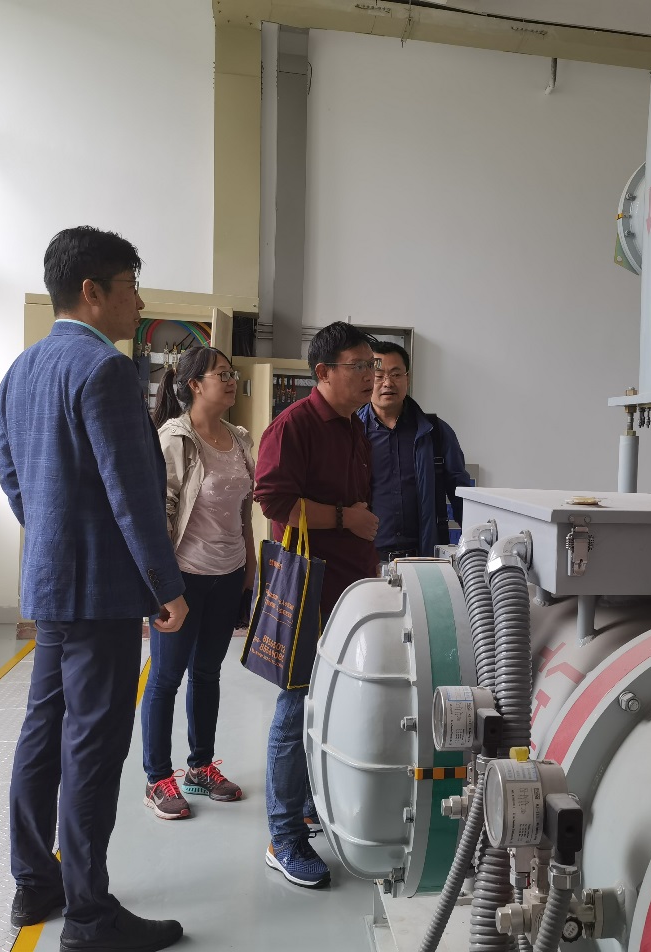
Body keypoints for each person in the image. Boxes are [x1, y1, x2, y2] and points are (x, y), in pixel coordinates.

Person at [0, 227, 187, 952]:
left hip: (50, 585)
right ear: (92, 292)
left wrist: (53, 534)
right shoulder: (104, 370)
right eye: (131, 286)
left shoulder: (22, 369)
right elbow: (132, 495)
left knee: (43, 732)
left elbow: (13, 477)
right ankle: (88, 916)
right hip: (101, 593)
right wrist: (164, 586)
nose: (139, 303)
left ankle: (33, 883)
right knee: (94, 747)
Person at [252, 321, 381, 888]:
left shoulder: (354, 426)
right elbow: (272, 500)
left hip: (350, 583)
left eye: (372, 366)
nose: (371, 376)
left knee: (328, 700)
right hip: (309, 586)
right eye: (359, 366)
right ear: (323, 372)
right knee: (296, 703)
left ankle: (305, 806)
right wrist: (344, 518)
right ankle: (282, 838)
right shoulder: (294, 426)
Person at [140, 345, 256, 821]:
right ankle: (157, 778)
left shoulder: (240, 438)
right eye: (221, 374)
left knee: (208, 673)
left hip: (228, 574)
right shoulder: (174, 439)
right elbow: (155, 516)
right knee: (166, 678)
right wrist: (163, 586)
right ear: (194, 385)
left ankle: (200, 767)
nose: (230, 381)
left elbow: (243, 511)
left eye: (232, 374)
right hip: (183, 577)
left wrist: (249, 565)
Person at [355, 341, 472, 562]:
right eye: (379, 376)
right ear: (367, 379)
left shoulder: (435, 432)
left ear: (407, 379)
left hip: (425, 559)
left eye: (396, 374)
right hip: (367, 561)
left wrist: (477, 550)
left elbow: (463, 497)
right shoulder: (352, 433)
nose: (388, 383)